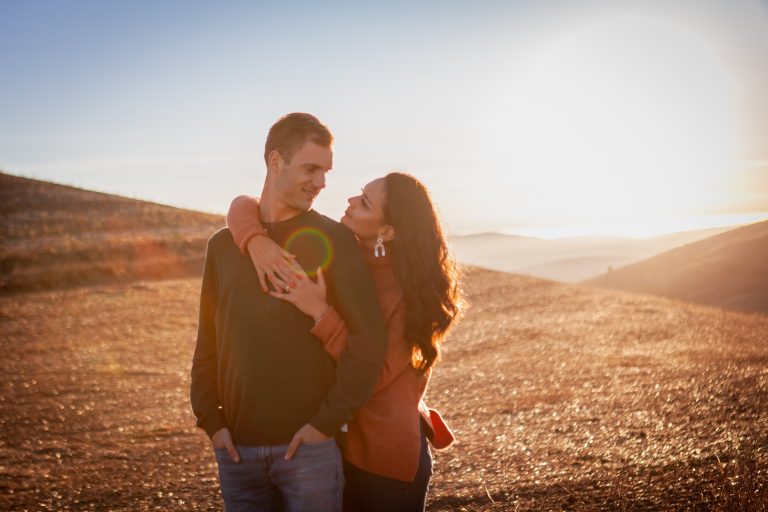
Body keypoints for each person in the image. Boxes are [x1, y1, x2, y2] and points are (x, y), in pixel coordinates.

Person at [227, 171, 463, 511]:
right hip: (342, 447)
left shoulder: (409, 294)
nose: (351, 202)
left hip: (384, 459)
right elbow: (242, 204)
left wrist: (320, 312)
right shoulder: (348, 253)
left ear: (387, 232)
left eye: (365, 203)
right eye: (359, 194)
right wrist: (255, 241)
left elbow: (375, 373)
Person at [190, 113, 389, 512]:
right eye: (311, 168)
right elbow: (208, 341)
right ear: (275, 160)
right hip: (236, 454)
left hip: (309, 452)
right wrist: (211, 422)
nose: (321, 183)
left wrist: (324, 426)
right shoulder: (224, 246)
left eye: (326, 172)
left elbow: (369, 345)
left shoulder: (335, 240)